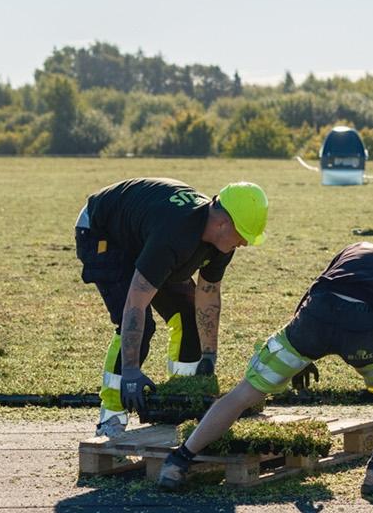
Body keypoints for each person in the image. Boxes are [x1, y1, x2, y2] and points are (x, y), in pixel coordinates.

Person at [157, 212, 373, 497]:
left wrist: (302, 354)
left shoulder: (359, 248)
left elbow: (318, 288)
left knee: (246, 391)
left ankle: (179, 460)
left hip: (312, 319)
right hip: (364, 332)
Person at [76, 178, 268, 437]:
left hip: (146, 236)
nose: (244, 243)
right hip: (104, 232)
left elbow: (208, 295)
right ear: (223, 223)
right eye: (243, 235)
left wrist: (209, 356)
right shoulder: (175, 234)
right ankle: (111, 418)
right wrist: (131, 371)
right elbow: (135, 302)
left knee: (188, 315)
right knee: (139, 327)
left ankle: (181, 401)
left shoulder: (222, 241)